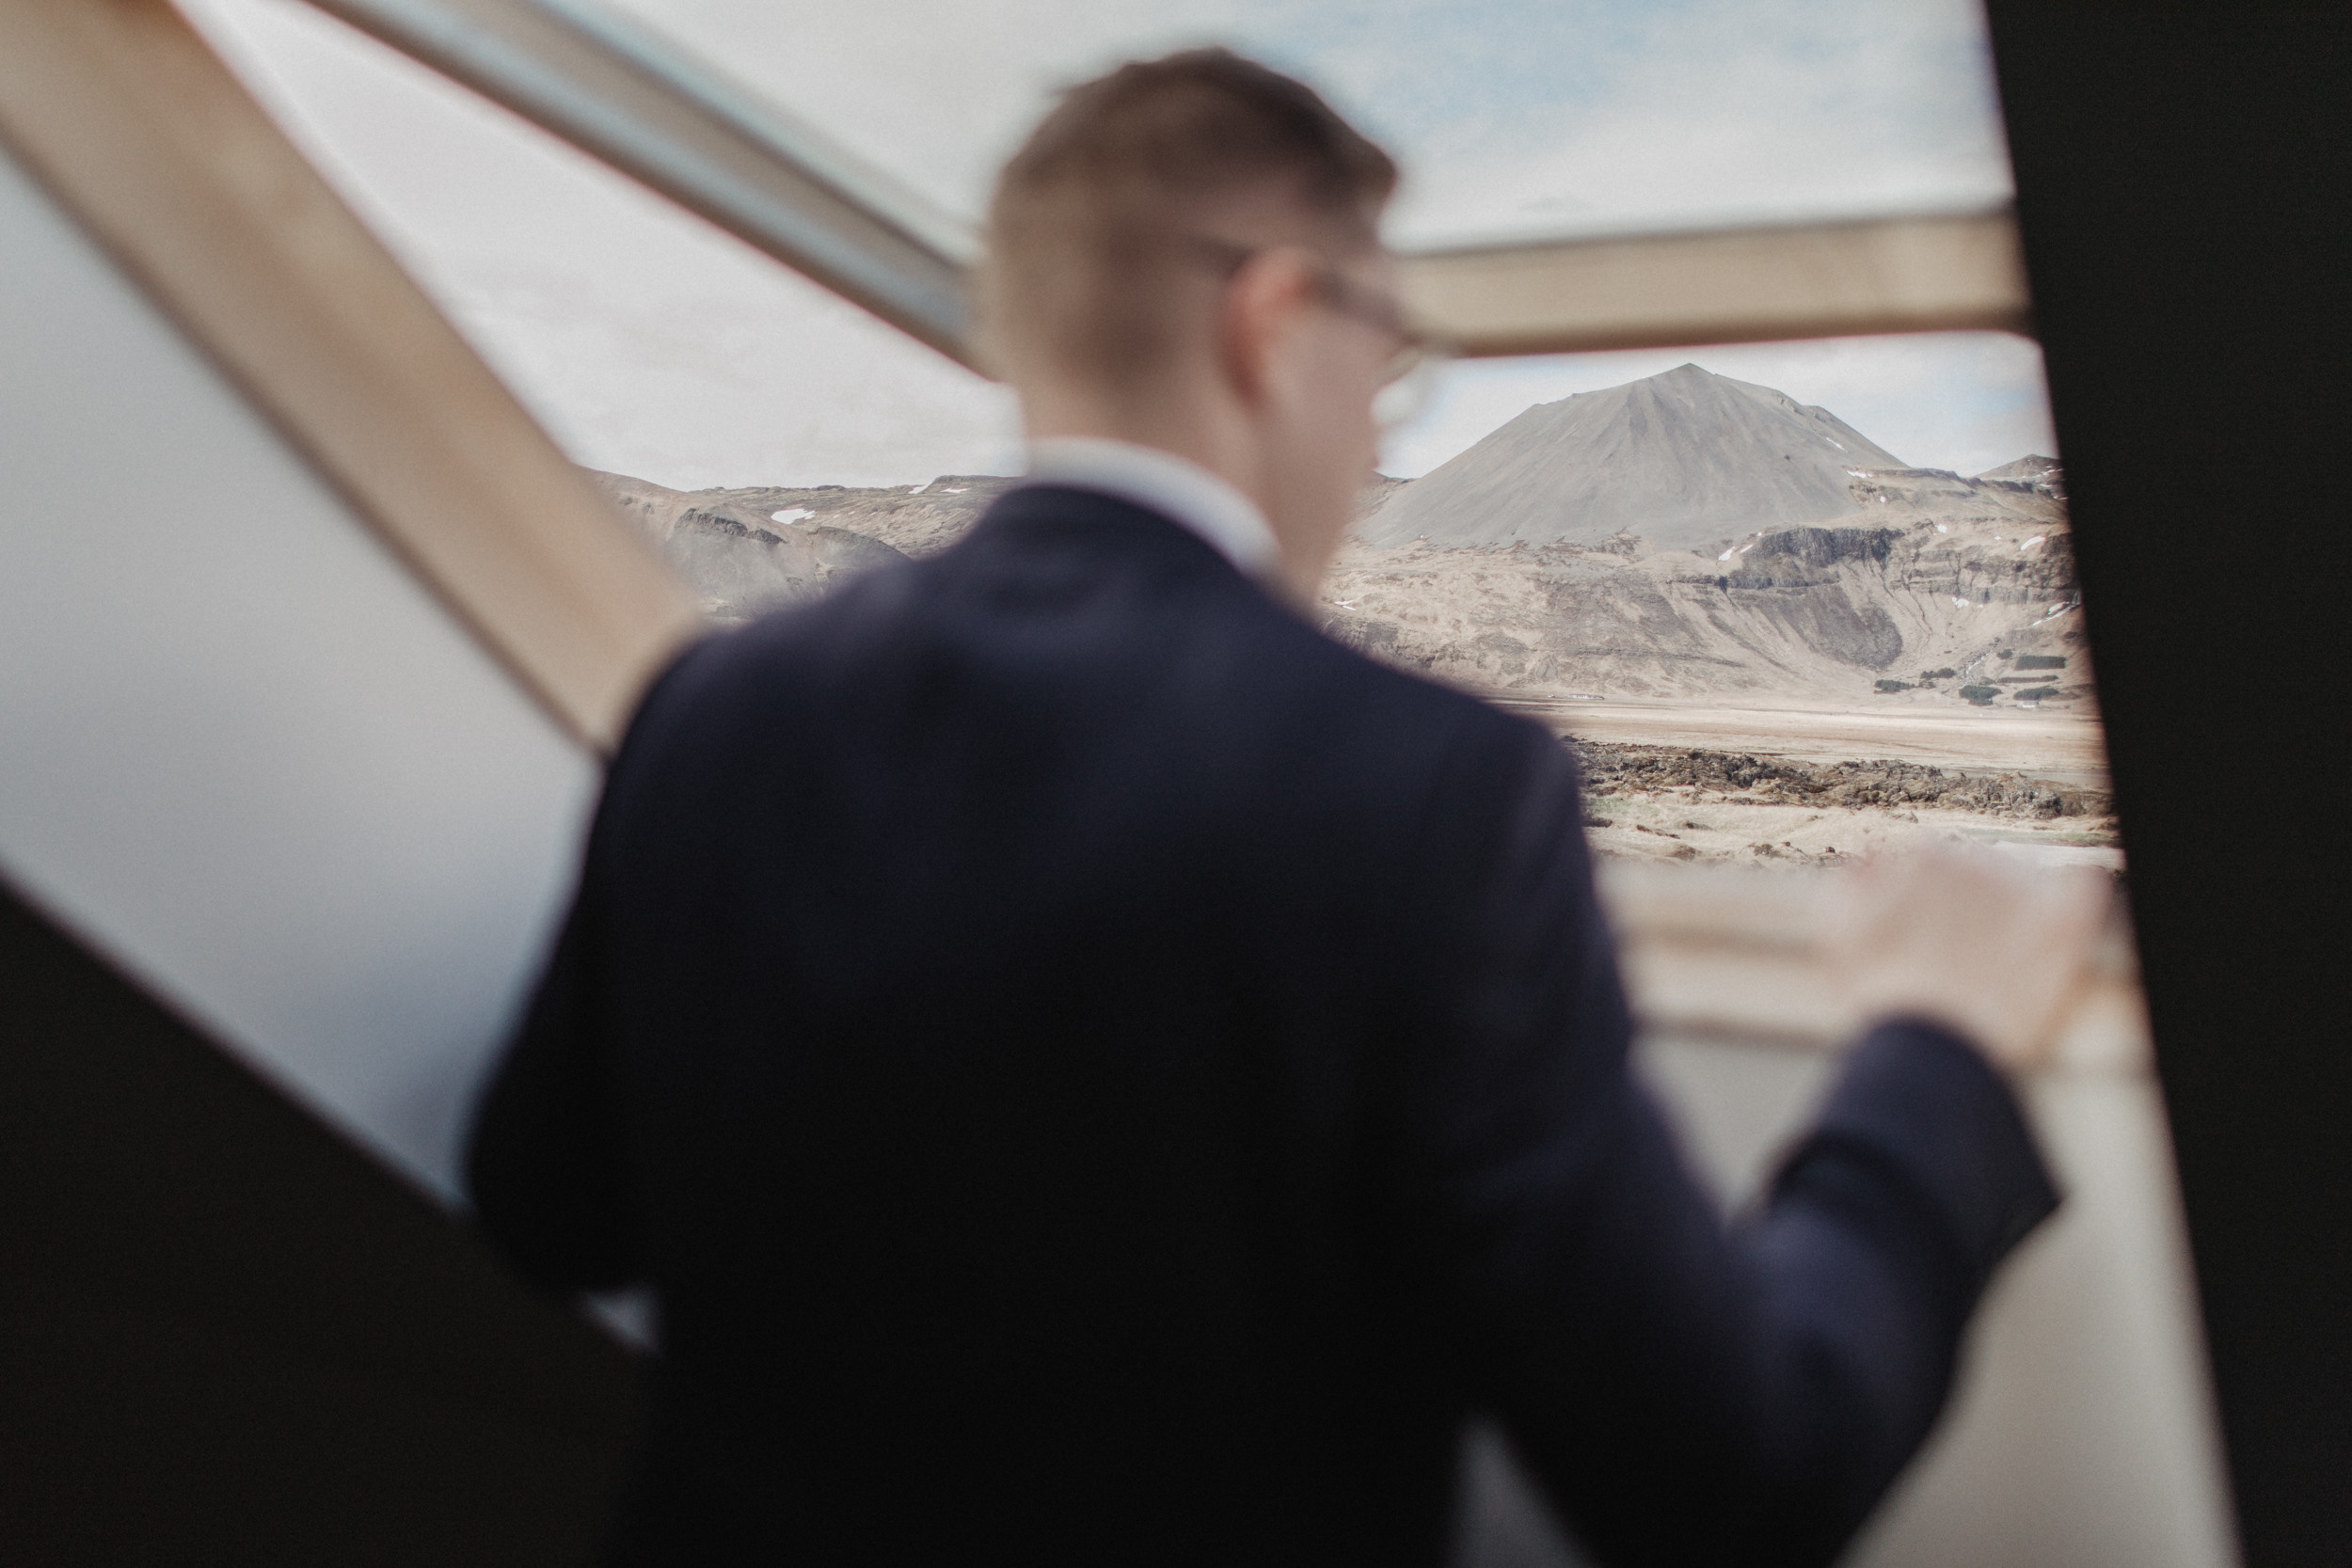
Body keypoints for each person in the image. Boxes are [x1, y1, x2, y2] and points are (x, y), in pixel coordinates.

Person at [467, 48, 2108, 1568]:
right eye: (1383, 365)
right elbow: (1734, 1477)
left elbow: (548, 1203)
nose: (1374, 431)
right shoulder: (1431, 794)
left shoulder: (718, 706)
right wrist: (1932, 1052)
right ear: (1271, 321)